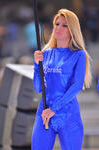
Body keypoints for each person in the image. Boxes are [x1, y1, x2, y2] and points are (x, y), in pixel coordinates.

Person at [31, 8, 92, 150]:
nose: (58, 28)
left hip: (68, 115)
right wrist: (35, 65)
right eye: (57, 24)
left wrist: (54, 109)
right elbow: (38, 88)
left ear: (72, 30)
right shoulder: (45, 53)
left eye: (64, 25)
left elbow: (76, 86)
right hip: (44, 114)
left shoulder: (78, 55)